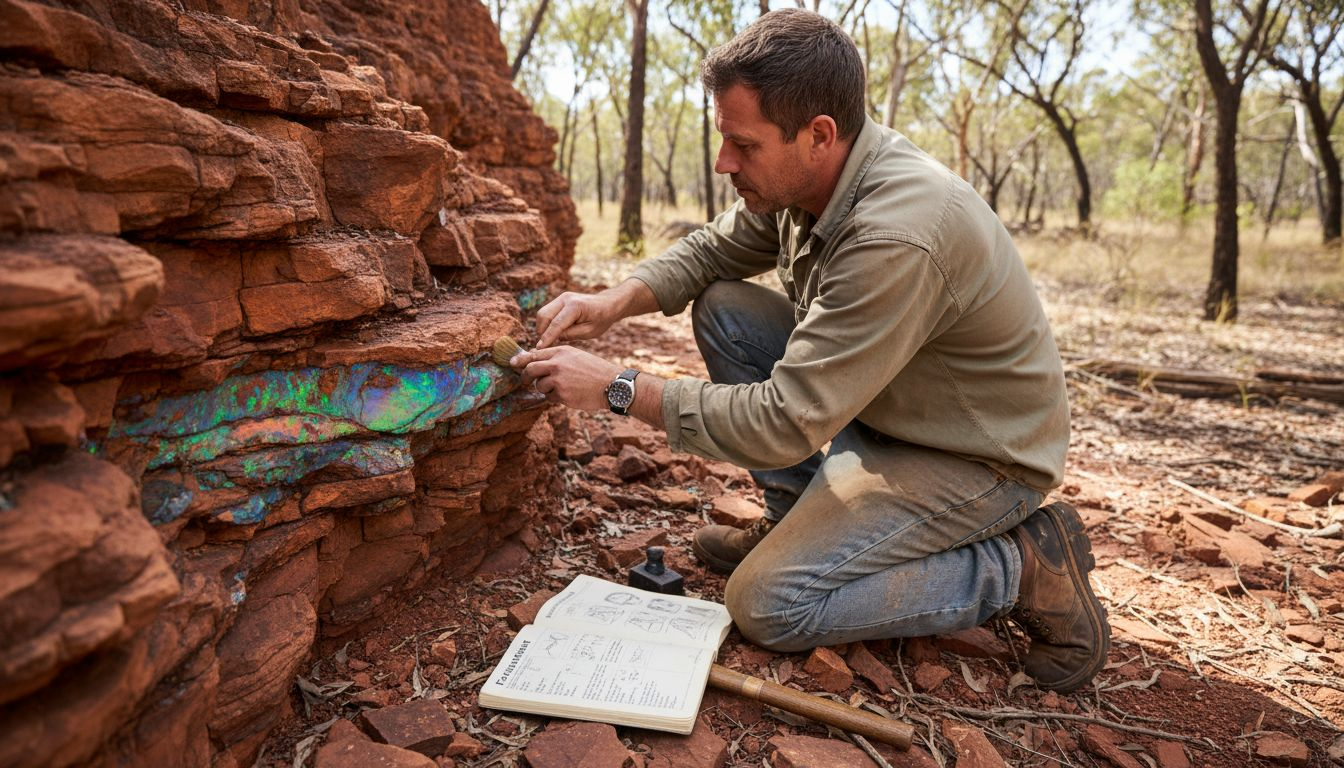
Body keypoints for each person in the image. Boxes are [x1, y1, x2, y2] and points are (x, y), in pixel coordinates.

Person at [509, 8, 1110, 692]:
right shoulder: (810, 179)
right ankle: (791, 518)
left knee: (769, 604)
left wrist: (617, 388)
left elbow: (785, 420)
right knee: (727, 308)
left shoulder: (896, 233)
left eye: (743, 144)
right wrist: (610, 302)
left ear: (819, 134)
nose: (724, 162)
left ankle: (1024, 566)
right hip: (883, 409)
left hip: (974, 457)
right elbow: (714, 251)